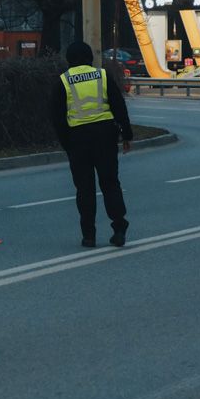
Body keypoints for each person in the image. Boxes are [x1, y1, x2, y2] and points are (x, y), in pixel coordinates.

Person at [49, 41, 134, 248]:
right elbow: (119, 106)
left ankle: (89, 235)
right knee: (110, 183)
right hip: (105, 135)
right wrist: (126, 134)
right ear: (90, 57)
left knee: (84, 189)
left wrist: (66, 144)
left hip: (78, 139)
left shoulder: (64, 81)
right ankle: (119, 227)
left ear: (69, 60)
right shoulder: (102, 76)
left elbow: (57, 117)